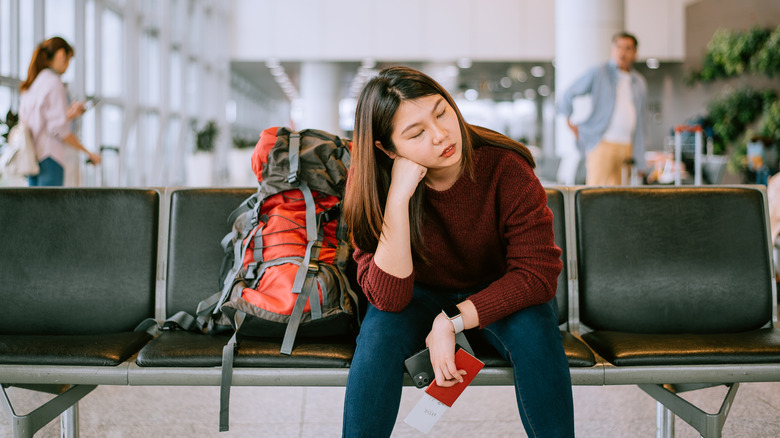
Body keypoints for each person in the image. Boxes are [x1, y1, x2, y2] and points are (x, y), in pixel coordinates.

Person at [342, 66, 574, 437]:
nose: (441, 135)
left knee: (537, 335)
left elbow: (537, 274)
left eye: (441, 112)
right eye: (416, 133)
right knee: (376, 340)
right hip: (415, 295)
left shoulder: (504, 166)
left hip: (502, 293)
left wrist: (450, 320)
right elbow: (389, 297)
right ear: (386, 149)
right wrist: (398, 199)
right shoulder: (372, 183)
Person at [558, 31, 648, 186]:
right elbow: (568, 93)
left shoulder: (639, 82)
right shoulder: (599, 72)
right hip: (602, 143)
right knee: (595, 195)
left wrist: (641, 161)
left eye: (628, 48)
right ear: (612, 49)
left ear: (635, 53)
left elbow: (641, 123)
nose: (622, 52)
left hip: (627, 146)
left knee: (620, 198)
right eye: (618, 47)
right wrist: (569, 122)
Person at [19, 36, 101, 186]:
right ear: (61, 54)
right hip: (49, 158)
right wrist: (89, 153)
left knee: (34, 208)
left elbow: (43, 123)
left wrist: (68, 115)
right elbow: (59, 130)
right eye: (69, 59)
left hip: (32, 159)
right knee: (50, 209)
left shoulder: (32, 84)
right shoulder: (54, 83)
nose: (68, 66)